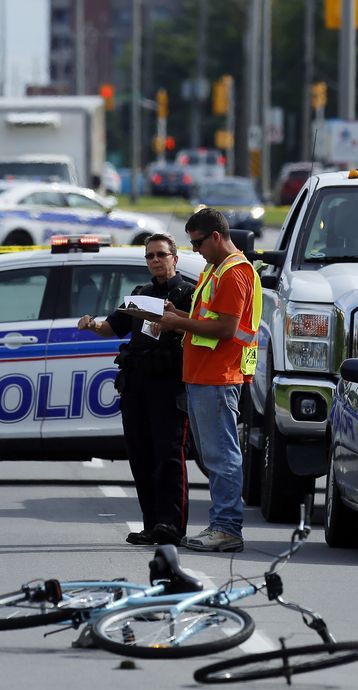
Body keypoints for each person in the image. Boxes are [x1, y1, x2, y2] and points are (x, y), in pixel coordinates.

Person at [78, 233, 195, 546]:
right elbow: (112, 327)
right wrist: (92, 324)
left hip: (169, 383)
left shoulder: (188, 293)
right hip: (137, 382)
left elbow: (202, 329)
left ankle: (172, 526)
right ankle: (151, 525)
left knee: (168, 456)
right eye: (150, 256)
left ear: (175, 258)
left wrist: (175, 319)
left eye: (161, 254)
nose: (155, 260)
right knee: (141, 456)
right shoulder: (140, 294)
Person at [158, 208, 261, 552]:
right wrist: (177, 316)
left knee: (222, 457)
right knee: (214, 457)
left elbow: (226, 328)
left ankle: (227, 528)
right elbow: (207, 320)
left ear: (216, 236)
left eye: (198, 243)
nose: (196, 250)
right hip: (206, 375)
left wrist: (178, 323)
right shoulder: (216, 269)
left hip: (218, 377)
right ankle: (221, 525)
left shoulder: (233, 272)